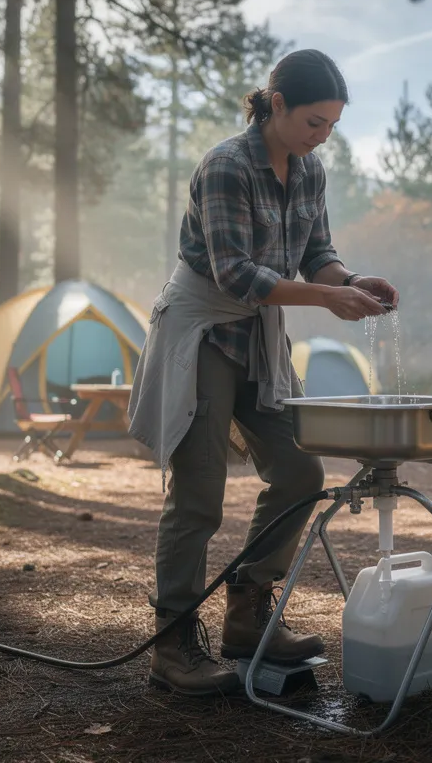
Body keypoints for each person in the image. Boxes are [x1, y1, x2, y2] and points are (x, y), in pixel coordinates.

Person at [127, 49, 399, 696]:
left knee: (301, 470)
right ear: (275, 105)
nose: (321, 136)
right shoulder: (226, 166)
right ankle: (172, 647)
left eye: (332, 125)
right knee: (198, 495)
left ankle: (248, 612)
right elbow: (236, 275)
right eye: (313, 122)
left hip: (260, 342)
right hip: (203, 334)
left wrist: (352, 282)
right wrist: (326, 299)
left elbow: (317, 256)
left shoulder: (310, 172)